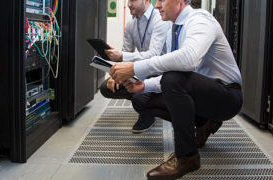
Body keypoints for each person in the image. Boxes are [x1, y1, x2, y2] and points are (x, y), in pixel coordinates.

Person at [109, 0, 243, 179]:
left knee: (173, 79)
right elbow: (174, 72)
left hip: (227, 96)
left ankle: (187, 156)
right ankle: (203, 122)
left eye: (162, 0)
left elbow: (188, 60)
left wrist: (135, 68)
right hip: (200, 93)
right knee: (142, 99)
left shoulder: (200, 20)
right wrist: (143, 85)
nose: (157, 6)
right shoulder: (173, 29)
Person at [100, 0, 170, 133]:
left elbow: (153, 55)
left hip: (160, 72)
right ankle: (145, 103)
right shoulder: (131, 24)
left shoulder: (160, 20)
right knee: (106, 88)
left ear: (146, 1)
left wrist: (121, 56)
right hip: (140, 70)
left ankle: (148, 111)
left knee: (139, 98)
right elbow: (126, 51)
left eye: (133, 0)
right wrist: (115, 74)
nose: (129, 4)